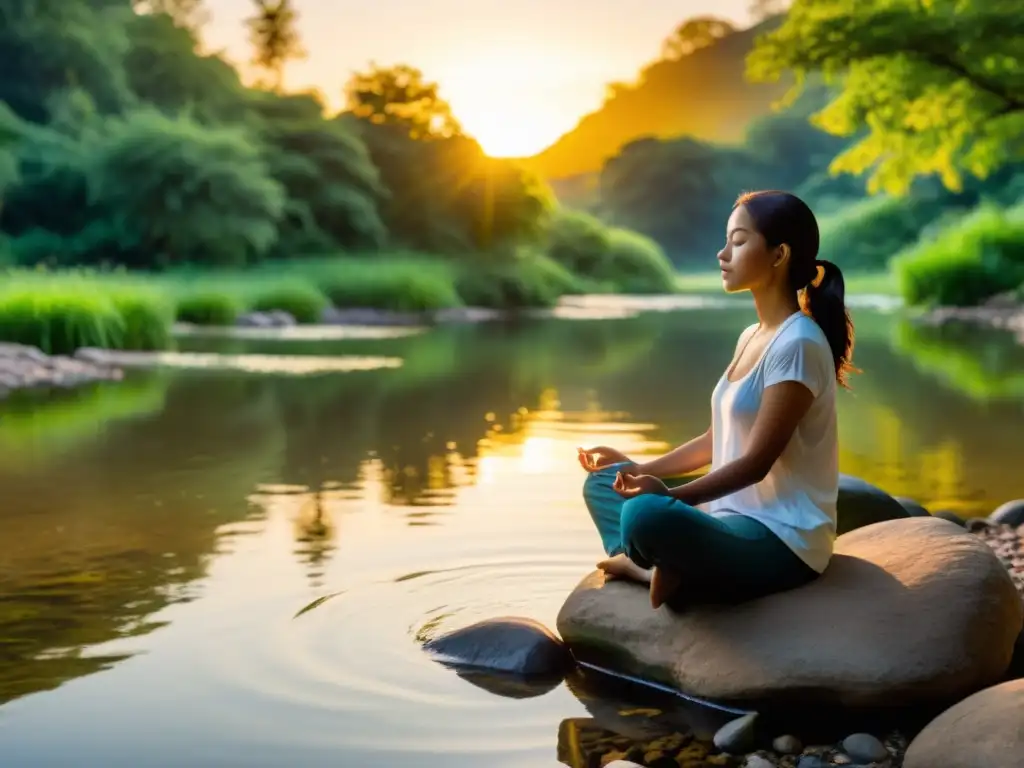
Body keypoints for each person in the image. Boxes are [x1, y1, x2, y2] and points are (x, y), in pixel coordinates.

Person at [577, 190, 856, 612]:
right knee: (602, 481)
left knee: (646, 515)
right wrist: (636, 469)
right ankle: (655, 567)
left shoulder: (798, 343)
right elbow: (715, 438)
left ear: (779, 254)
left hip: (782, 539)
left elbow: (756, 463)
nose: (723, 253)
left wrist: (671, 499)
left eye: (739, 241)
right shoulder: (752, 335)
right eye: (727, 241)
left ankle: (657, 566)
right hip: (724, 519)